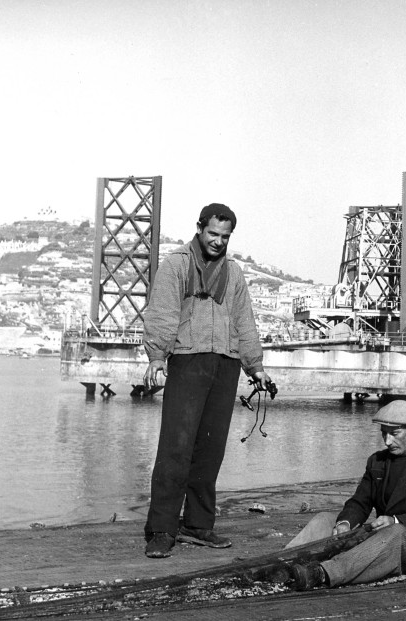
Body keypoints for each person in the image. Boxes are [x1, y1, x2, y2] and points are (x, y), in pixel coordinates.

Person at [141, 203, 272, 559]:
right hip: (187, 359)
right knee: (175, 447)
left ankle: (198, 526)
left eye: (225, 236)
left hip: (226, 364)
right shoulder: (177, 265)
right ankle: (162, 529)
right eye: (212, 233)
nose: (217, 241)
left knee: (210, 450)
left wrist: (255, 366)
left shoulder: (234, 272)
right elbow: (163, 312)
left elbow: (244, 321)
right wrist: (157, 355)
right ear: (199, 228)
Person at [281, 400, 406, 590]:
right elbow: (360, 503)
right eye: (384, 434)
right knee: (325, 520)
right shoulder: (376, 461)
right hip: (383, 537)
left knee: (396, 532)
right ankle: (281, 563)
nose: (388, 441)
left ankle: (322, 574)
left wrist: (395, 521)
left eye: (394, 434)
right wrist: (344, 523)